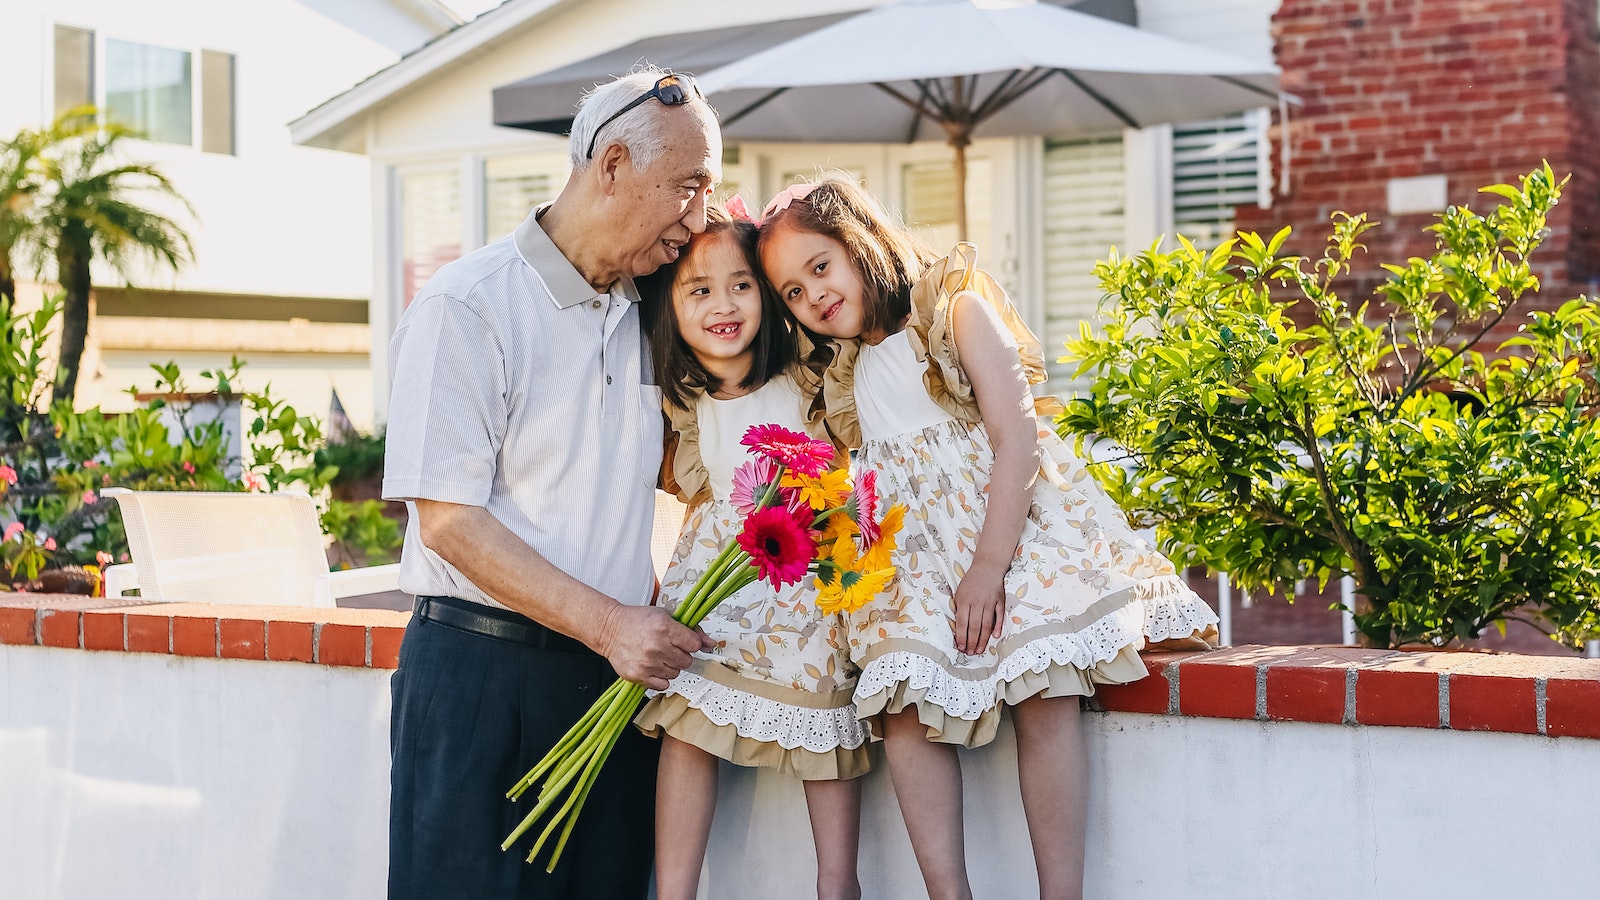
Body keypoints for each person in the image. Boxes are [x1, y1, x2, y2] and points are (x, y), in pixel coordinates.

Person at [757, 175, 1220, 900]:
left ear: (863, 243)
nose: (812, 296)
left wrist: (988, 567)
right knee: (901, 700)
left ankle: (1059, 893)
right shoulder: (843, 374)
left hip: (1007, 528)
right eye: (791, 291)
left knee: (1046, 691)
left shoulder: (954, 312)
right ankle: (951, 892)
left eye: (820, 267)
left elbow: (1018, 436)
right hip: (911, 558)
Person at [381, 68, 721, 900]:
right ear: (611, 165)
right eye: (687, 188)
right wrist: (612, 626)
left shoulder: (653, 314)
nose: (699, 219)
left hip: (609, 688)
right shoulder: (470, 305)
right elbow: (449, 523)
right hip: (479, 683)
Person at [633, 201, 868, 900]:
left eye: (740, 284)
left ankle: (839, 885)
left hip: (807, 580)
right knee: (686, 723)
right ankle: (676, 892)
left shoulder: (807, 375)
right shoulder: (683, 403)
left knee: (826, 729)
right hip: (717, 589)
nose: (722, 305)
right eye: (697, 290)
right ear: (669, 308)